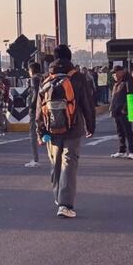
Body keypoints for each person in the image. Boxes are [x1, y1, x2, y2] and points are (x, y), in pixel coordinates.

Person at [36, 45, 96, 219]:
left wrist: (40, 131)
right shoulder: (77, 77)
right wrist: (90, 126)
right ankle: (65, 204)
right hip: (73, 127)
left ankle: (58, 197)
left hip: (51, 129)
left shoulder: (46, 78)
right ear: (70, 58)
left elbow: (39, 107)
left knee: (55, 163)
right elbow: (87, 103)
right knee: (69, 164)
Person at [110, 65, 133, 160]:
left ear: (121, 72)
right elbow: (114, 98)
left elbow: (130, 96)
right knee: (120, 131)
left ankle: (132, 151)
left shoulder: (127, 82)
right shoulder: (116, 84)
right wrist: (111, 109)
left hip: (123, 111)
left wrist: (125, 108)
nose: (114, 75)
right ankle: (122, 150)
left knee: (127, 131)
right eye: (113, 73)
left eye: (116, 72)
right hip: (116, 110)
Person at [25, 62, 43, 168]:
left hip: (35, 109)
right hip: (44, 108)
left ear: (31, 70)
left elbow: (35, 92)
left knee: (32, 133)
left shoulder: (34, 79)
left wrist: (32, 106)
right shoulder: (45, 77)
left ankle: (35, 158)